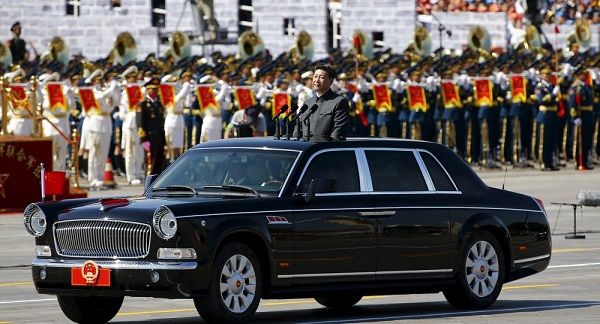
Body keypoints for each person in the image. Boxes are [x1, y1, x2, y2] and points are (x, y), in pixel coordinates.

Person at [295, 64, 349, 142]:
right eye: (315, 76)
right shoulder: (308, 102)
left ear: (331, 81)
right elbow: (298, 129)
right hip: (306, 149)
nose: (316, 80)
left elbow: (337, 134)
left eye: (321, 77)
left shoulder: (339, 102)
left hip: (324, 151)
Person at [137, 77, 166, 175]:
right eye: (152, 89)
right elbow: (140, 124)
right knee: (150, 163)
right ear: (147, 90)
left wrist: (164, 140)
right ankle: (148, 184)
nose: (154, 91)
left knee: (160, 163)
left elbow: (161, 123)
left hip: (159, 138)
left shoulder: (159, 104)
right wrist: (144, 140)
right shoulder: (143, 105)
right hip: (149, 138)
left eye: (156, 89)